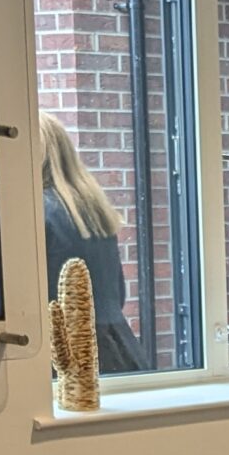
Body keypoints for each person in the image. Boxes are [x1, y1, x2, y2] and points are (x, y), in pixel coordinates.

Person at [38, 112, 147, 374]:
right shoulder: (93, 211)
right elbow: (117, 294)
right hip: (120, 349)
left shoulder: (36, 212)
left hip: (69, 358)